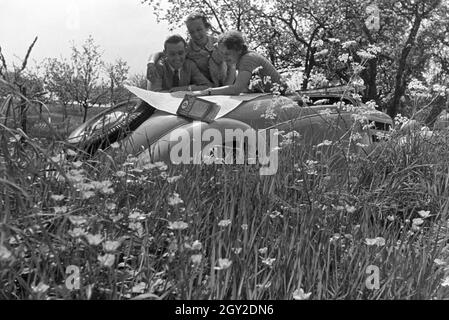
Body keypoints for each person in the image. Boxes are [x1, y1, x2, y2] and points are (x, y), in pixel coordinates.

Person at [147, 12, 230, 88]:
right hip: (205, 88)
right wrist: (151, 63)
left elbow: (232, 64)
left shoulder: (220, 43)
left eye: (199, 29)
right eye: (192, 32)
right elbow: (163, 54)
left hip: (227, 82)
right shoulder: (187, 49)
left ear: (207, 27)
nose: (196, 34)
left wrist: (229, 87)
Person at [190, 30, 284, 97]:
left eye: (227, 54)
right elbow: (230, 85)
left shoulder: (247, 59)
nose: (224, 58)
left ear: (238, 50)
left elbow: (236, 89)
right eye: (222, 54)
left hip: (282, 96)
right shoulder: (240, 59)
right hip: (274, 95)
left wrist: (207, 92)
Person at [147, 34, 212, 92]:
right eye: (172, 54)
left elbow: (207, 86)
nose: (177, 58)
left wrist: (183, 89)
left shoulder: (189, 65)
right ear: (165, 53)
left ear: (186, 51)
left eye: (180, 53)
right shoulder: (159, 67)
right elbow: (154, 93)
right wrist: (173, 93)